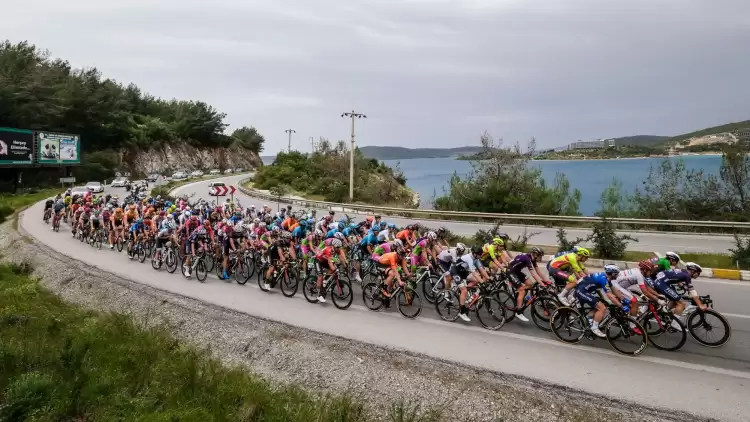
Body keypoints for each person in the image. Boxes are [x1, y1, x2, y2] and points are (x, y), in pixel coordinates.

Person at [573, 265, 625, 338]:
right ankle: (594, 328)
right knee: (602, 308)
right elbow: (610, 296)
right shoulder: (603, 279)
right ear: (612, 274)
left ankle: (589, 317)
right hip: (582, 291)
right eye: (616, 273)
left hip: (586, 290)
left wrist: (624, 299)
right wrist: (621, 306)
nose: (617, 275)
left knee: (604, 303)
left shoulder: (606, 278)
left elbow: (614, 290)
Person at [506, 247, 548, 322]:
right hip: (511, 271)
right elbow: (534, 274)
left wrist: (547, 281)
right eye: (539, 256)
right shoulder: (527, 259)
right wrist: (542, 284)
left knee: (530, 284)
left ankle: (519, 294)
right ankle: (518, 312)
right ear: (535, 254)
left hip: (517, 272)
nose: (540, 258)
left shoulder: (533, 259)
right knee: (522, 290)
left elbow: (538, 271)